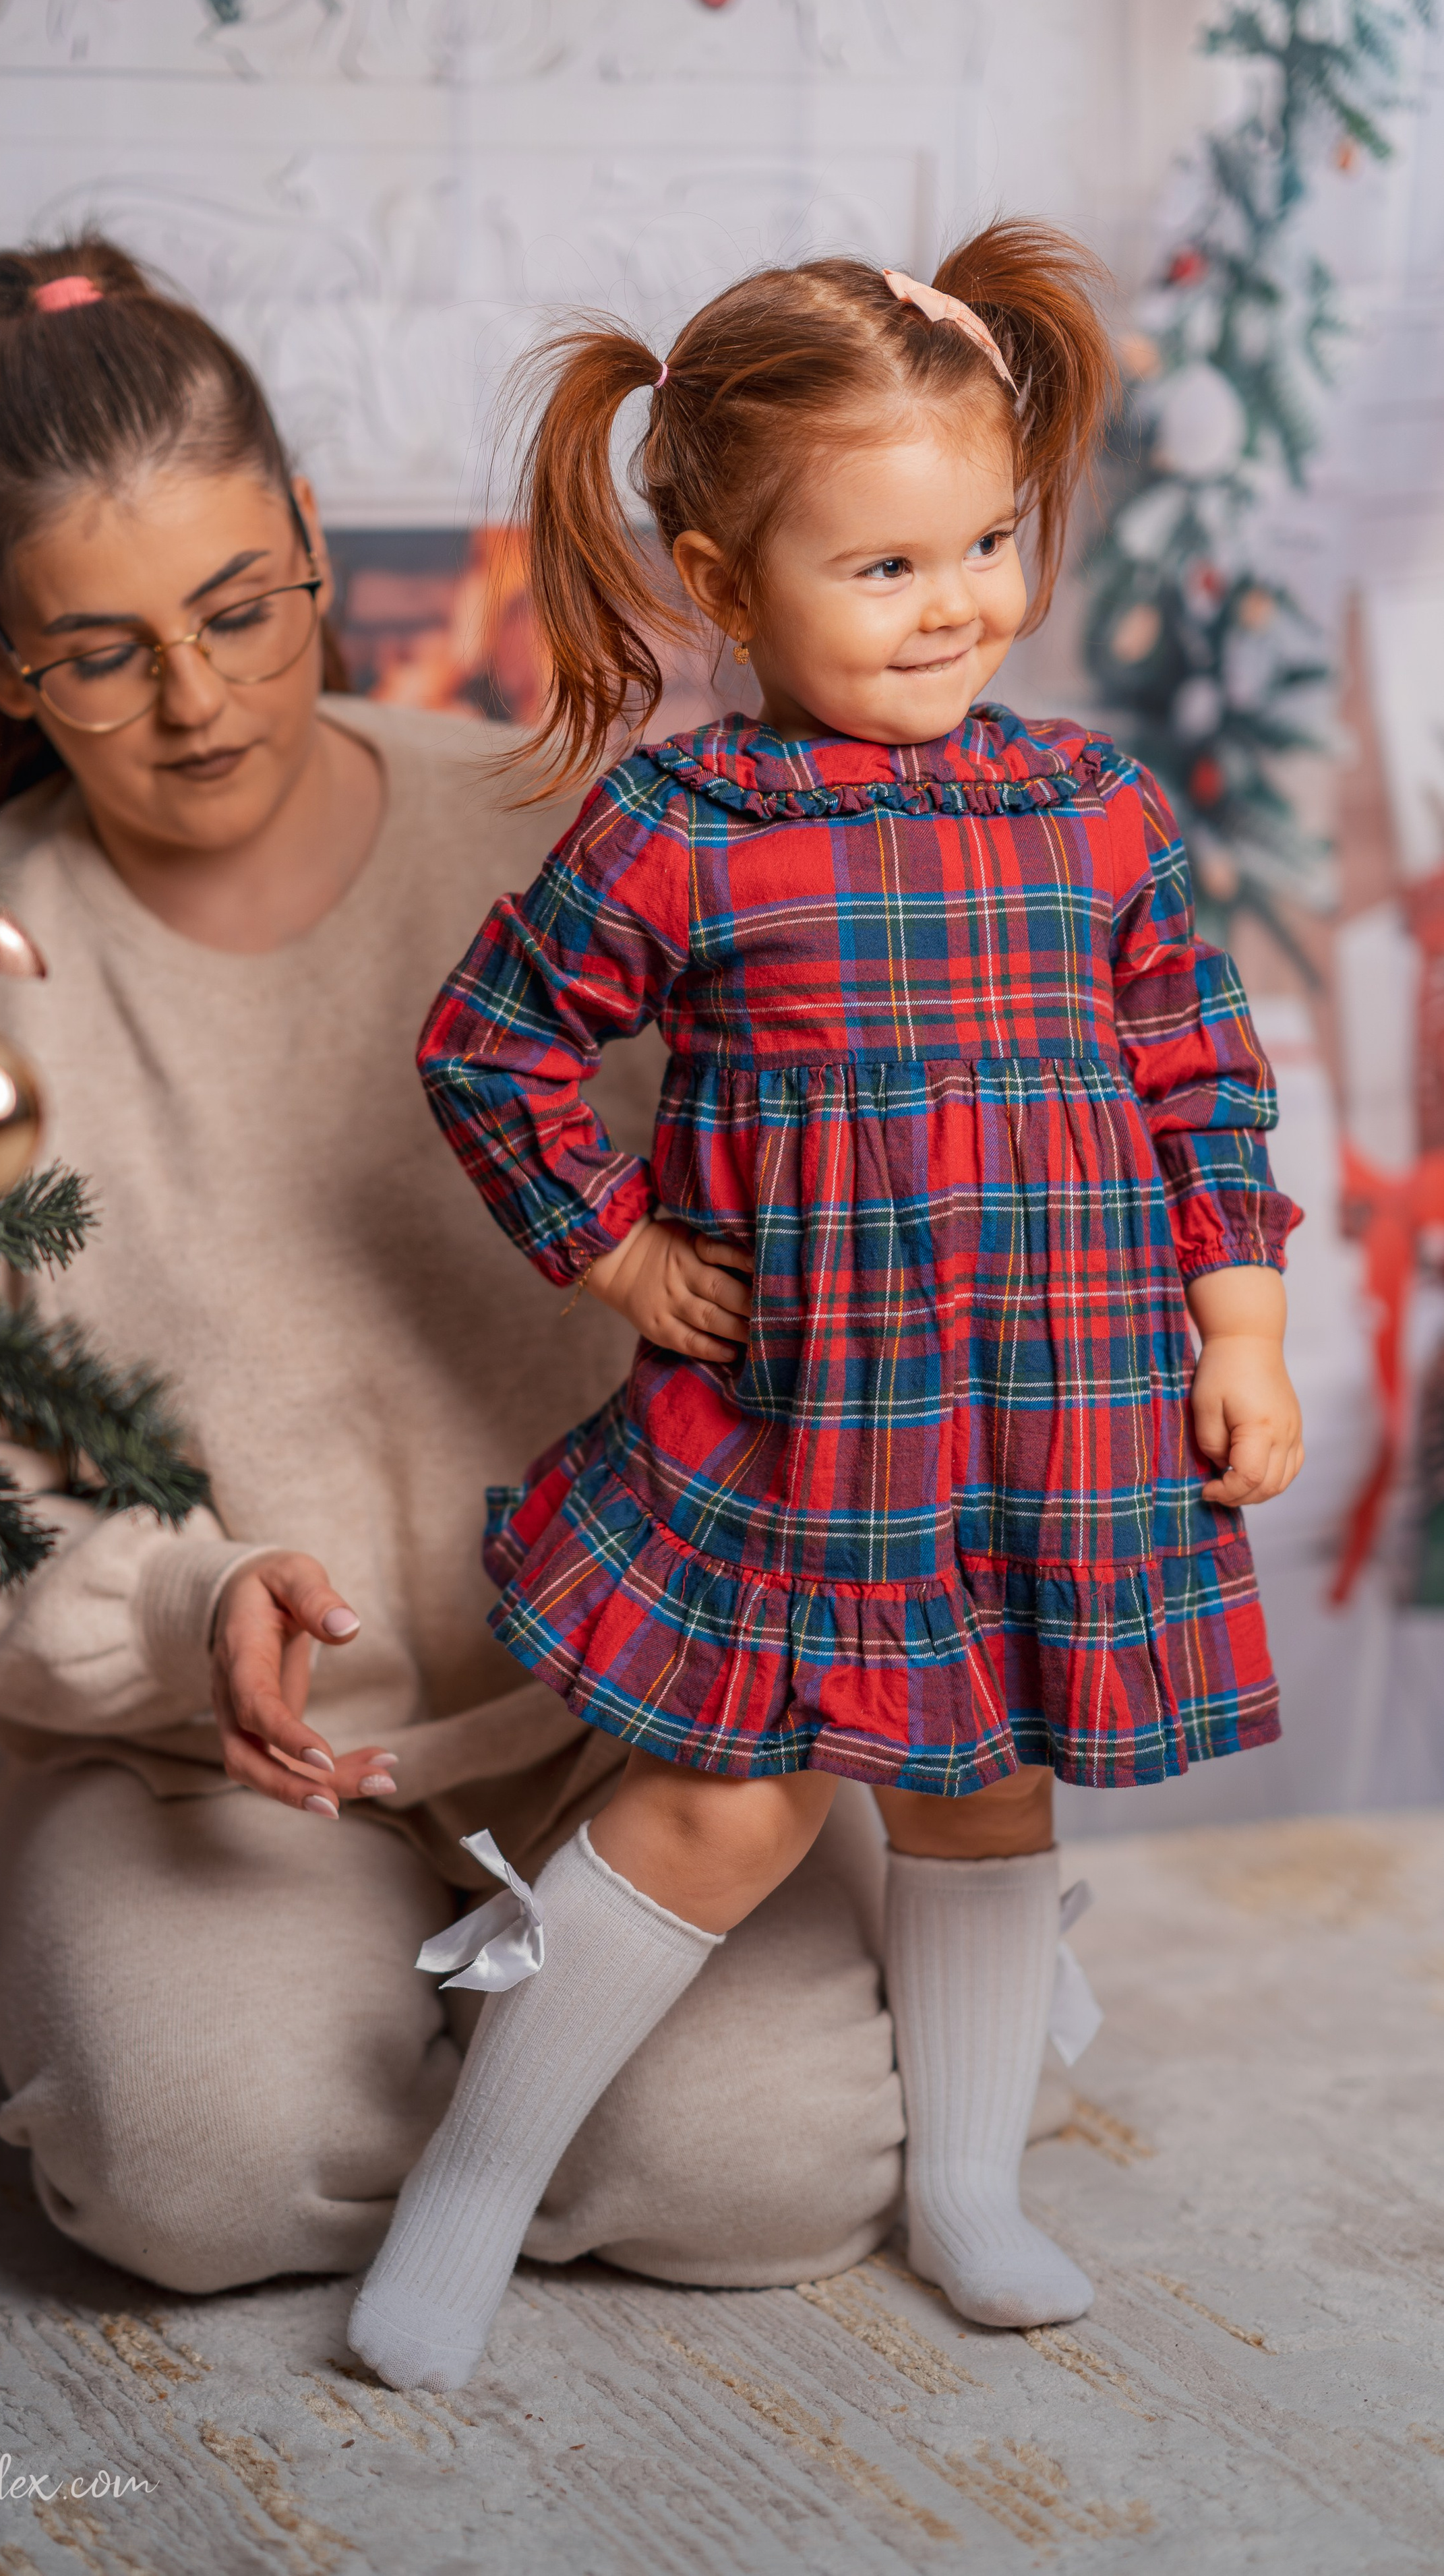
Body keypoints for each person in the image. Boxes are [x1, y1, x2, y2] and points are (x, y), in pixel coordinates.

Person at [0, 237, 907, 2299]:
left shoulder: (559, 838)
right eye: (105, 652)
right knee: (200, 2174)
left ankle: (511, 2063)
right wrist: (183, 1610)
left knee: (765, 2180)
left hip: (633, 1717)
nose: (203, 697)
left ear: (315, 535)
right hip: (206, 1772)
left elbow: (822, 1205)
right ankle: (394, 2049)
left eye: (240, 607)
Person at [349, 225, 1305, 2391]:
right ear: (719, 577)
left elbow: (1202, 1078)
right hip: (814, 1433)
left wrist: (1237, 1327)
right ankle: (474, 2184)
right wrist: (607, 1245)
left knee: (988, 1798)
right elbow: (488, 1044)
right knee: (721, 1804)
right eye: (882, 569)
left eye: (984, 541)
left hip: (1053, 1411)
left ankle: (969, 2182)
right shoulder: (691, 824)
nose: (955, 598)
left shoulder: (1099, 816)